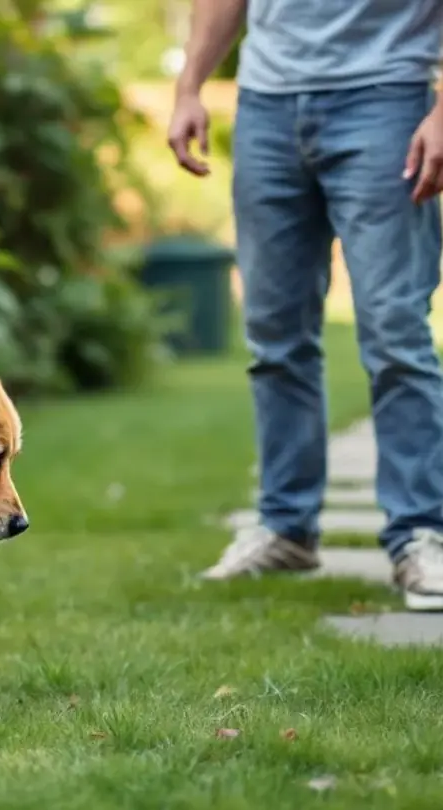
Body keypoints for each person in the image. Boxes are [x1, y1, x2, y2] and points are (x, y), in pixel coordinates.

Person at [167, 0, 443, 609]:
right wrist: (189, 86)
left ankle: (421, 534)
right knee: (274, 340)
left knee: (395, 330)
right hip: (266, 104)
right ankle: (286, 528)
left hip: (388, 93)